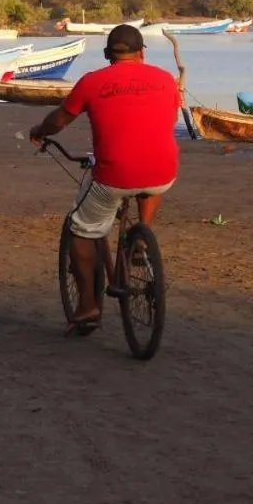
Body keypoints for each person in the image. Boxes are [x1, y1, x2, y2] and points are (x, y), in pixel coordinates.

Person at [29, 24, 183, 335]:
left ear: (106, 54)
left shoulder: (92, 82)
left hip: (115, 175)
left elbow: (59, 119)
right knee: (149, 180)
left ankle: (88, 306)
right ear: (142, 52)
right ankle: (141, 237)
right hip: (164, 171)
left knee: (81, 229)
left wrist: (39, 132)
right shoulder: (166, 79)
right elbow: (168, 118)